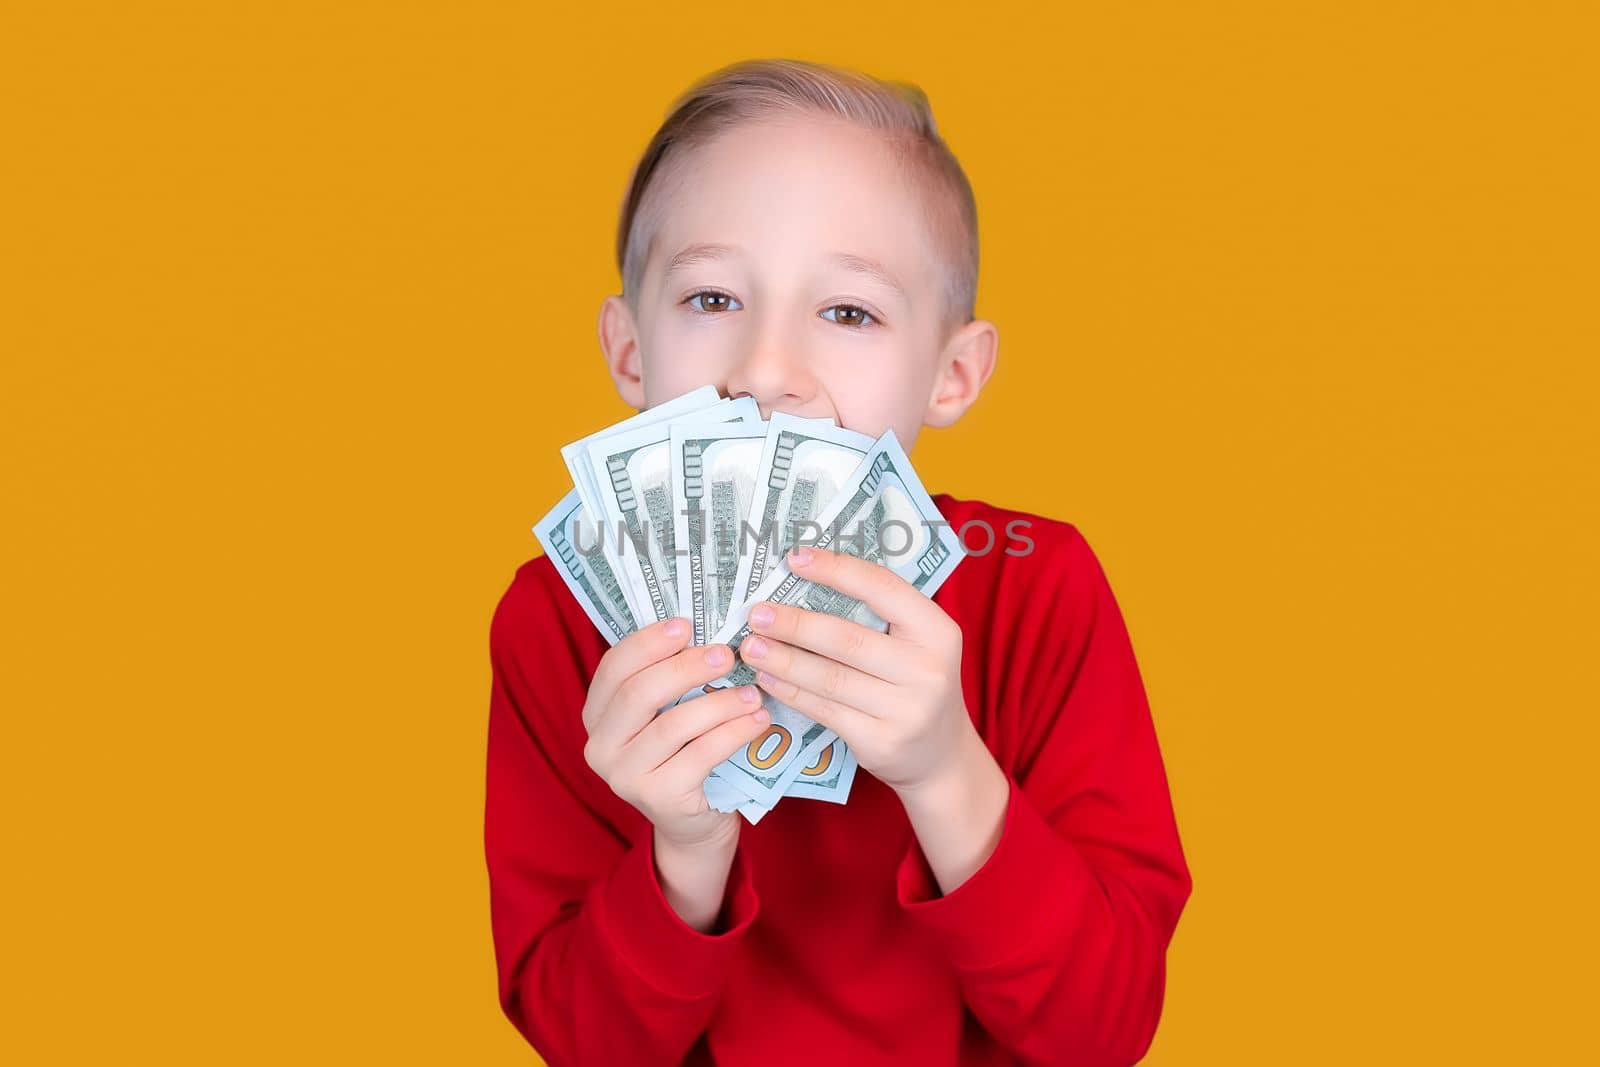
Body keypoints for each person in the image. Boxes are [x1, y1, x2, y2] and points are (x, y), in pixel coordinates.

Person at [484, 57, 1192, 1066]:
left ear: (951, 373)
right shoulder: (556, 619)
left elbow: (1103, 1030)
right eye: (713, 297)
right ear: (629, 351)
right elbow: (580, 1041)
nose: (766, 372)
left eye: (848, 311)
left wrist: (947, 768)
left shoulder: (1039, 585)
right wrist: (684, 855)